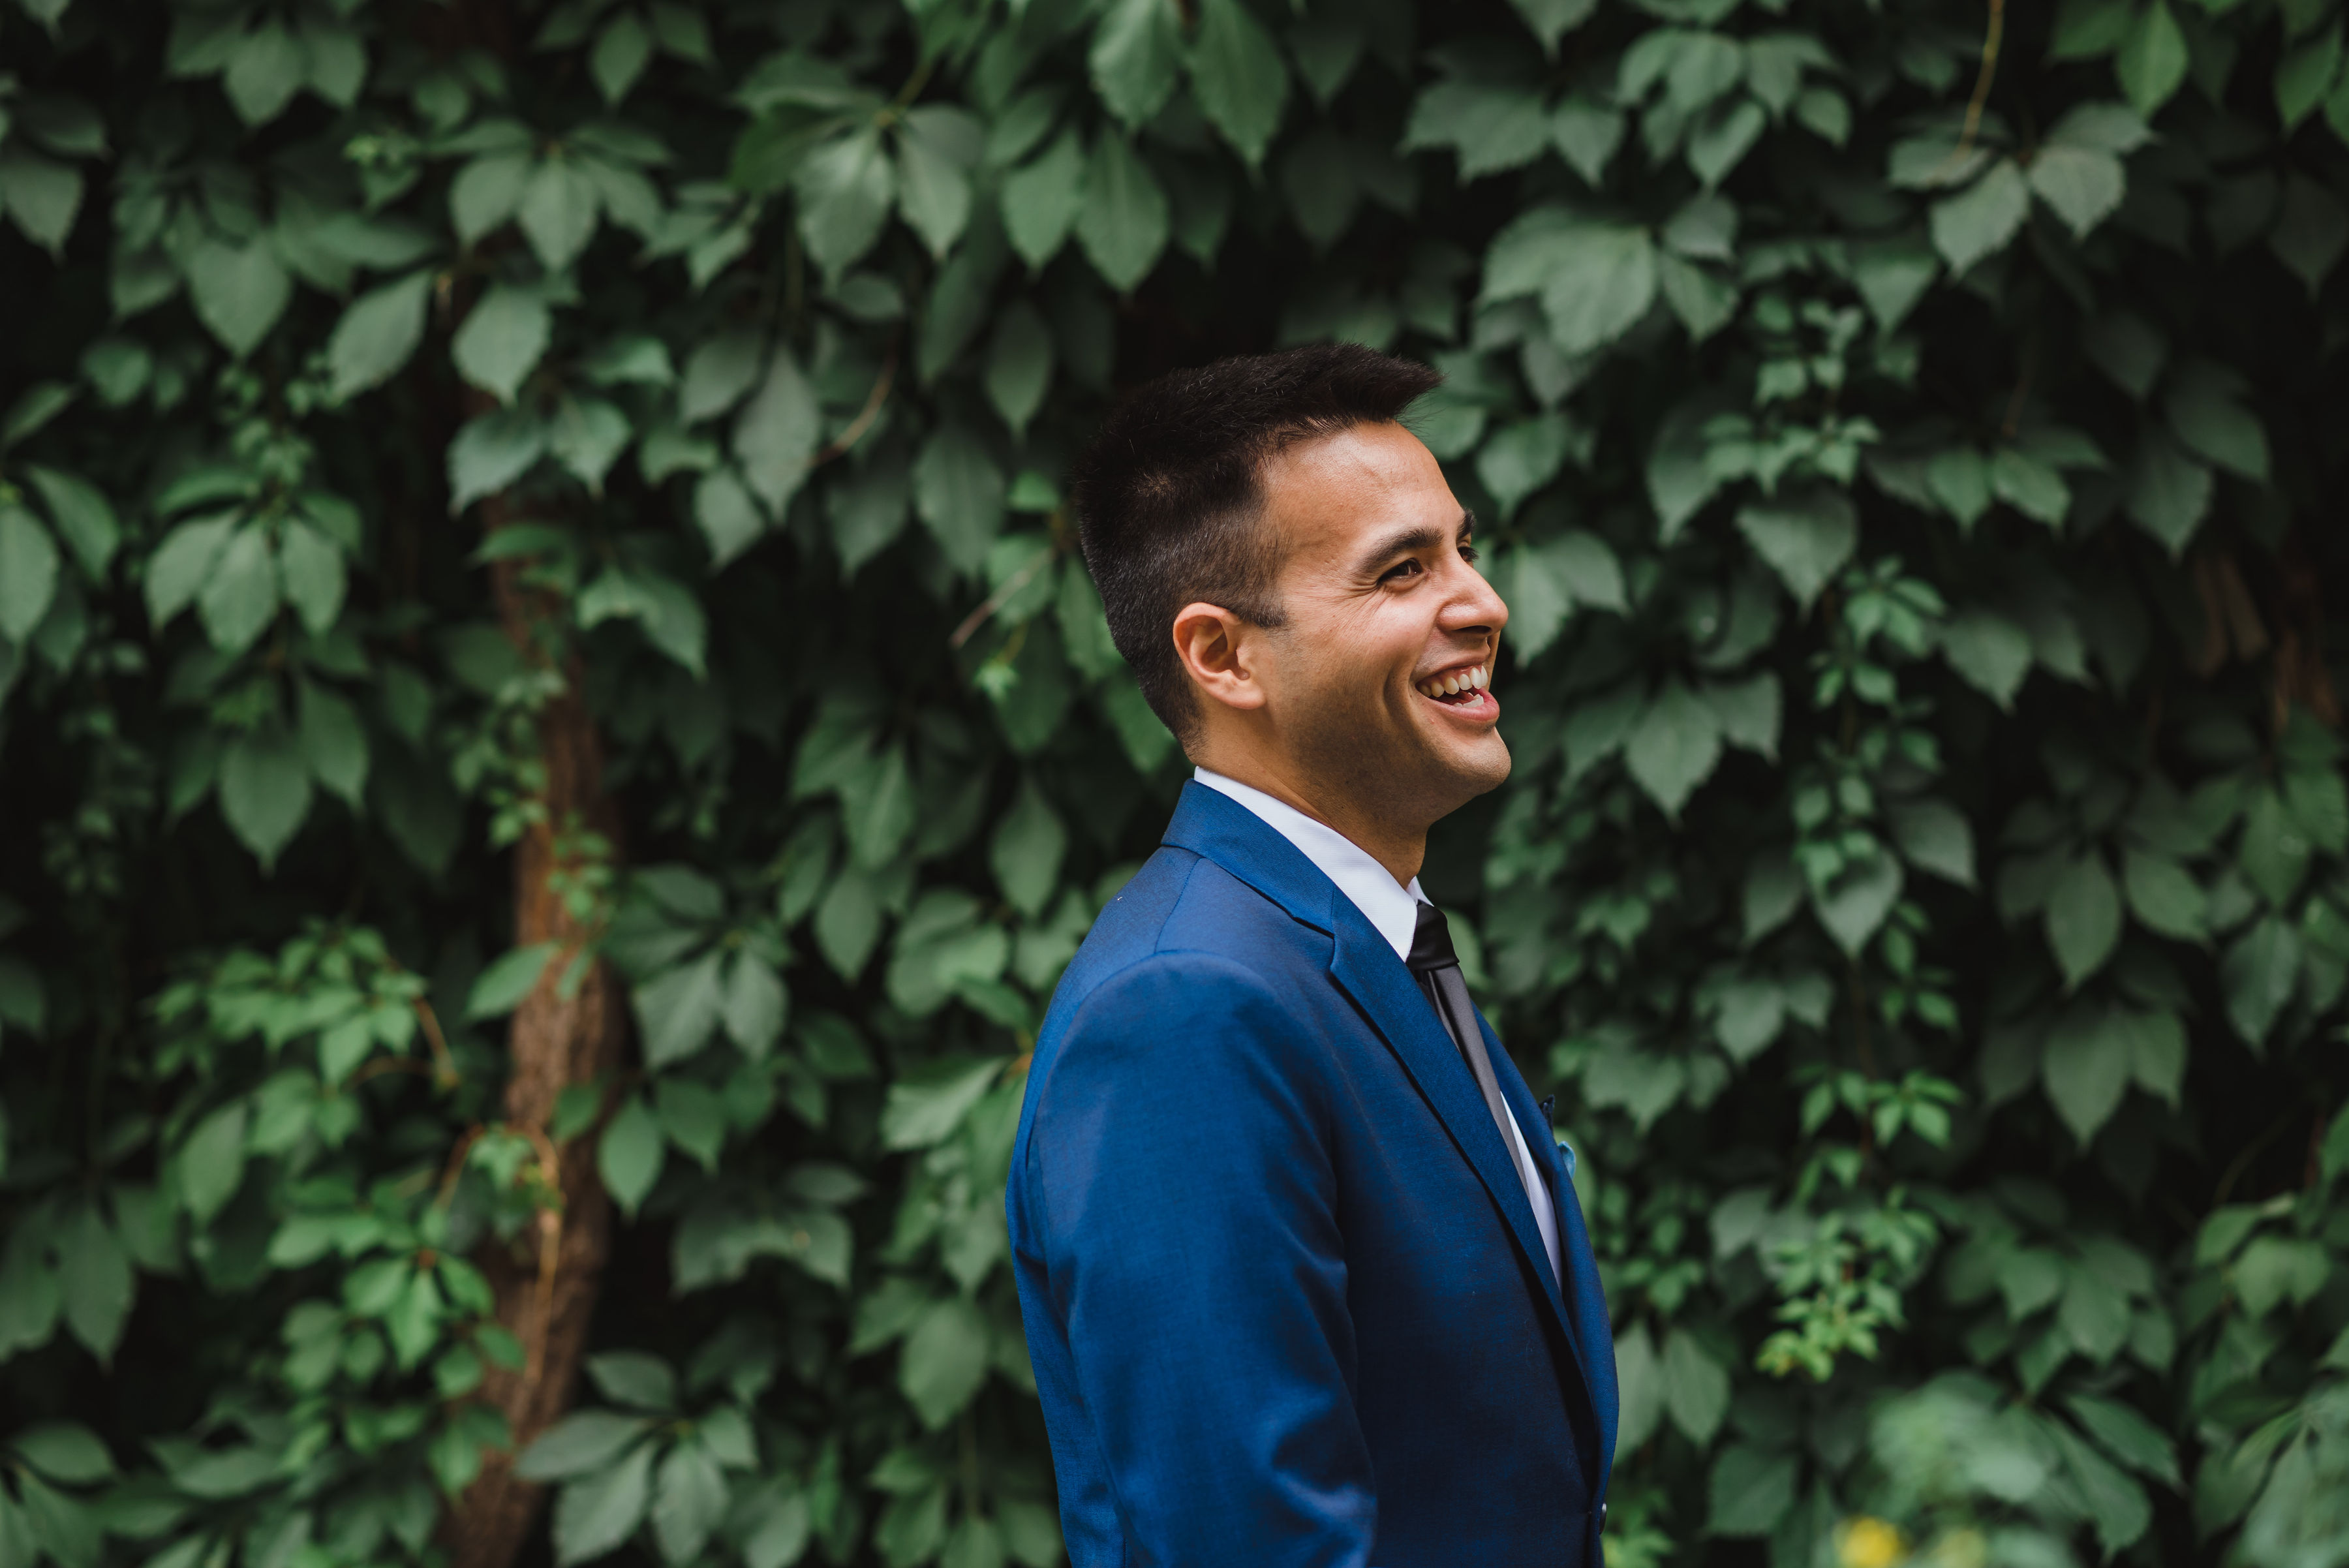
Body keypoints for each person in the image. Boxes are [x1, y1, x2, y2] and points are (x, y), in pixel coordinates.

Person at [1005, 344, 1618, 1567]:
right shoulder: (1186, 1010)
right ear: (1223, 657)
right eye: (1402, 570)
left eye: (1462, 549)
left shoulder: (1354, 946)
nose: (1482, 602)